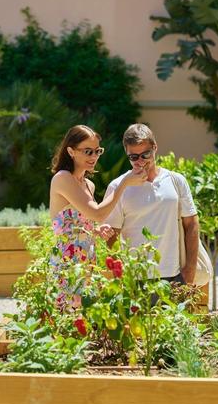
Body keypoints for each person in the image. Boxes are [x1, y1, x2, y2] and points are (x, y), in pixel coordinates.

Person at [49, 125, 146, 308]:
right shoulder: (62, 178)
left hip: (87, 261)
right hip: (67, 262)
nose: (94, 157)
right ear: (70, 151)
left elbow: (81, 222)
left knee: (87, 319)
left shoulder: (88, 185)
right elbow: (98, 213)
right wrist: (124, 183)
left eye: (97, 151)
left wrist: (94, 230)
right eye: (88, 151)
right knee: (66, 321)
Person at [103, 123, 200, 284]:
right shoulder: (118, 187)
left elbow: (191, 224)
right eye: (133, 157)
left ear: (155, 148)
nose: (140, 161)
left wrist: (190, 270)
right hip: (134, 278)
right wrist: (118, 277)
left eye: (145, 155)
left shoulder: (176, 181)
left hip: (174, 276)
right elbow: (111, 237)